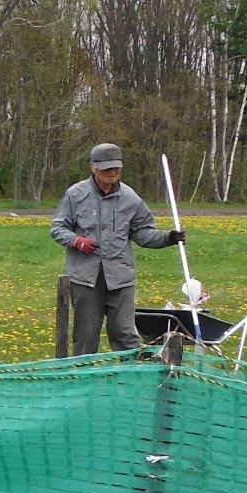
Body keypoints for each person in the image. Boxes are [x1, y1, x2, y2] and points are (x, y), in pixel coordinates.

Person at [49, 142, 185, 355]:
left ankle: (129, 379)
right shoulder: (75, 195)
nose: (113, 172)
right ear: (93, 168)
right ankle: (84, 381)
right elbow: (58, 227)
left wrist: (167, 238)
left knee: (124, 334)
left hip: (120, 278)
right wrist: (77, 241)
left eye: (116, 168)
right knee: (86, 336)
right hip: (85, 279)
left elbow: (143, 233)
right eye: (107, 168)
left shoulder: (131, 198)